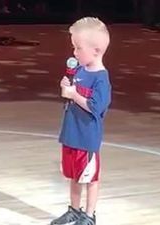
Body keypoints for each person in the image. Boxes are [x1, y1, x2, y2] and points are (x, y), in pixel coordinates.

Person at [51, 17, 112, 225]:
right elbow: (69, 95)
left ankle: (89, 215)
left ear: (95, 50)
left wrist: (74, 95)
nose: (74, 53)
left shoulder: (101, 78)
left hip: (87, 138)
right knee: (74, 176)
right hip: (71, 134)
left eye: (78, 48)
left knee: (89, 178)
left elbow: (96, 106)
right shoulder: (79, 71)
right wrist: (65, 88)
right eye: (74, 48)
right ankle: (74, 210)